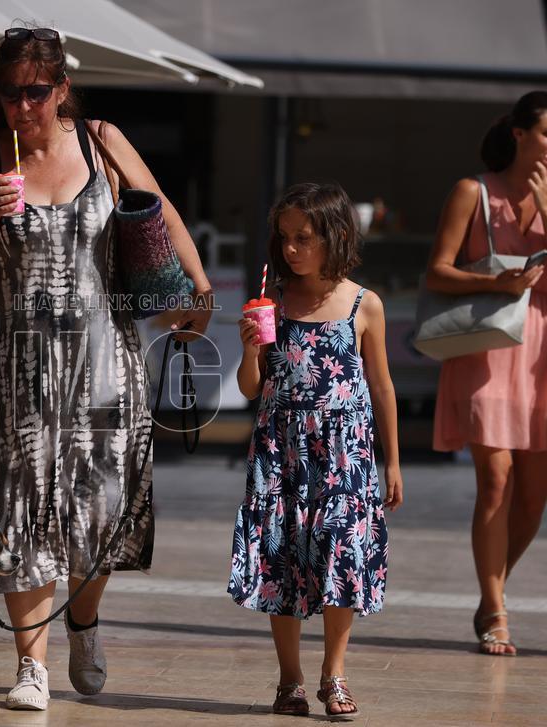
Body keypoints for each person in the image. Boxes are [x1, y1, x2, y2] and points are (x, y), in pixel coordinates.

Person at [0, 26, 212, 711]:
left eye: (35, 91)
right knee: (20, 507)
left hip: (105, 360)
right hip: (16, 368)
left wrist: (199, 289)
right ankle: (31, 666)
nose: (21, 105)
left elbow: (163, 213)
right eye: (8, 92)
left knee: (102, 510)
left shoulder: (101, 140)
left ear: (61, 88)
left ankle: (82, 621)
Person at [229, 183, 403, 719]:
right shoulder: (273, 303)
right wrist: (250, 351)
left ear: (336, 235)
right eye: (284, 238)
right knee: (281, 556)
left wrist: (393, 461)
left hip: (344, 454)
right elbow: (250, 389)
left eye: (303, 238)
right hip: (281, 451)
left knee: (340, 553)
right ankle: (290, 679)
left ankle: (335, 672)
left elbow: (382, 387)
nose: (291, 249)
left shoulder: (364, 305)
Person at [426, 91, 547, 656]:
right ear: (520, 134)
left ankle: (490, 591)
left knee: (534, 497)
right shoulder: (472, 191)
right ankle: (496, 608)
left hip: (541, 353)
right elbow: (437, 272)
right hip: (487, 346)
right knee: (496, 480)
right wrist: (496, 282)